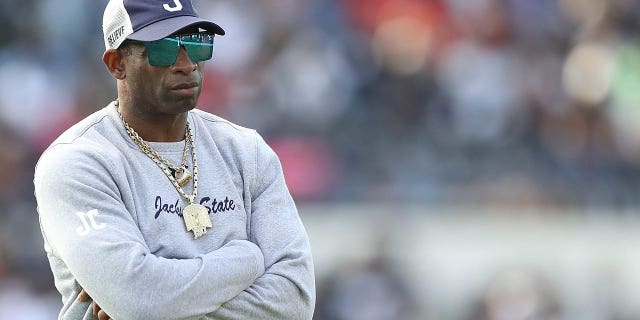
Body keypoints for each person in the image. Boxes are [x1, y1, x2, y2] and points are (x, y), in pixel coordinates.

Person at [33, 0, 315, 319]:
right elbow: (138, 297)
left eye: (196, 44)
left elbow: (294, 302)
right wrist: (247, 258)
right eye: (163, 49)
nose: (186, 64)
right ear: (116, 64)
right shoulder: (78, 163)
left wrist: (161, 296)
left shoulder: (247, 151)